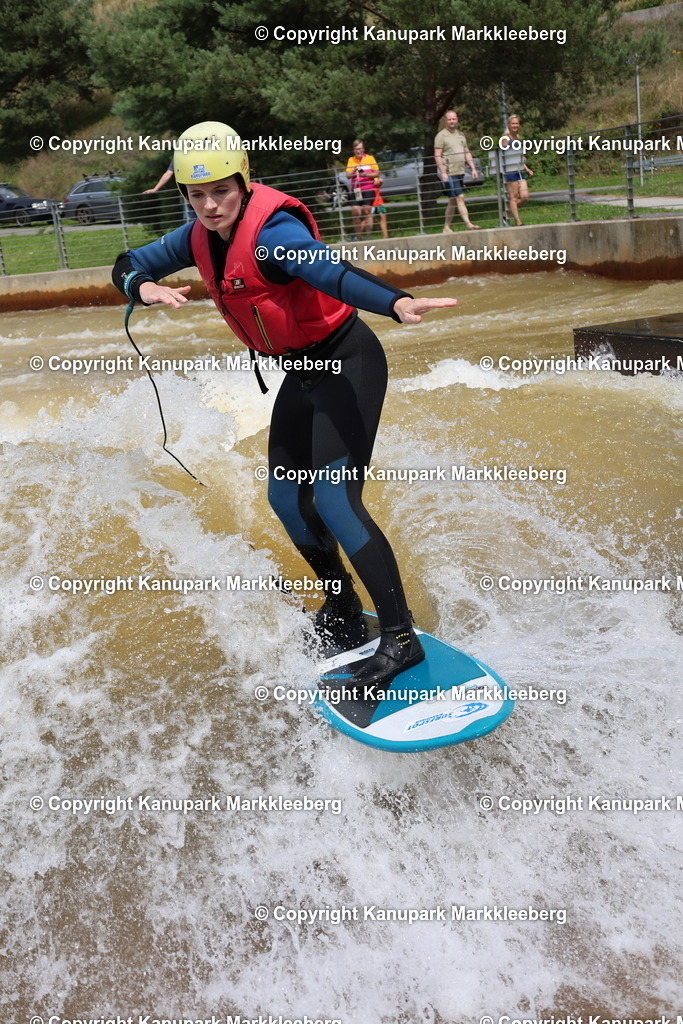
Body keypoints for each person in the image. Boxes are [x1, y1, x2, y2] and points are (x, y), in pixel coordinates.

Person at [112, 121, 457, 690]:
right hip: (301, 372)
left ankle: (401, 640)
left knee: (335, 500)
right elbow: (129, 261)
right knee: (285, 498)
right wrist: (142, 288)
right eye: (196, 195)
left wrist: (394, 303)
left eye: (221, 190)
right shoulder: (197, 235)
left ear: (243, 184)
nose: (210, 204)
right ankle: (343, 608)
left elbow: (332, 273)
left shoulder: (274, 232)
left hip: (347, 362)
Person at [434, 110, 479, 232]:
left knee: (453, 200)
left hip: (460, 171)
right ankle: (468, 223)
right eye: (449, 119)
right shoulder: (441, 136)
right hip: (449, 172)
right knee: (460, 197)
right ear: (445, 121)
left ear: (457, 120)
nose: (452, 121)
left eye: (453, 119)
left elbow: (466, 151)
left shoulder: (460, 135)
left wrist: (473, 168)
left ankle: (446, 227)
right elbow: (437, 155)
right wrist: (443, 172)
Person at [499, 115, 533, 226]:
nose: (515, 125)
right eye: (513, 123)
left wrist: (527, 169)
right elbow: (503, 154)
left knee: (524, 196)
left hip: (519, 170)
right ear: (508, 125)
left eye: (516, 123)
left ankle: (505, 214)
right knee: (513, 197)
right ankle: (518, 221)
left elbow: (519, 155)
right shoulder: (505, 138)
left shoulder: (517, 138)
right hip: (510, 171)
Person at [345, 139, 378, 240]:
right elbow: (348, 175)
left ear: (363, 149)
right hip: (356, 189)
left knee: (367, 211)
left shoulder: (370, 158)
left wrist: (366, 174)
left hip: (368, 188)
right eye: (356, 149)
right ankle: (358, 237)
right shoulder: (351, 160)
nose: (358, 151)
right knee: (356, 212)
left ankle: (368, 236)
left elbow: (376, 173)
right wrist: (354, 170)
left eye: (359, 149)